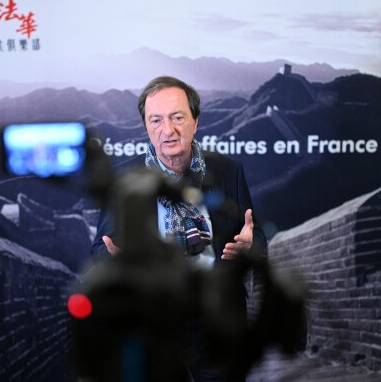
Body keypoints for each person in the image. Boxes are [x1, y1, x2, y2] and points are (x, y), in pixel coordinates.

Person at [90, 75, 267, 380]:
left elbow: (255, 236)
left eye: (177, 117)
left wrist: (251, 246)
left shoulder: (229, 171)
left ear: (195, 121)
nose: (167, 130)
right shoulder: (123, 180)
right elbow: (100, 249)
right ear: (146, 126)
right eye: (156, 120)